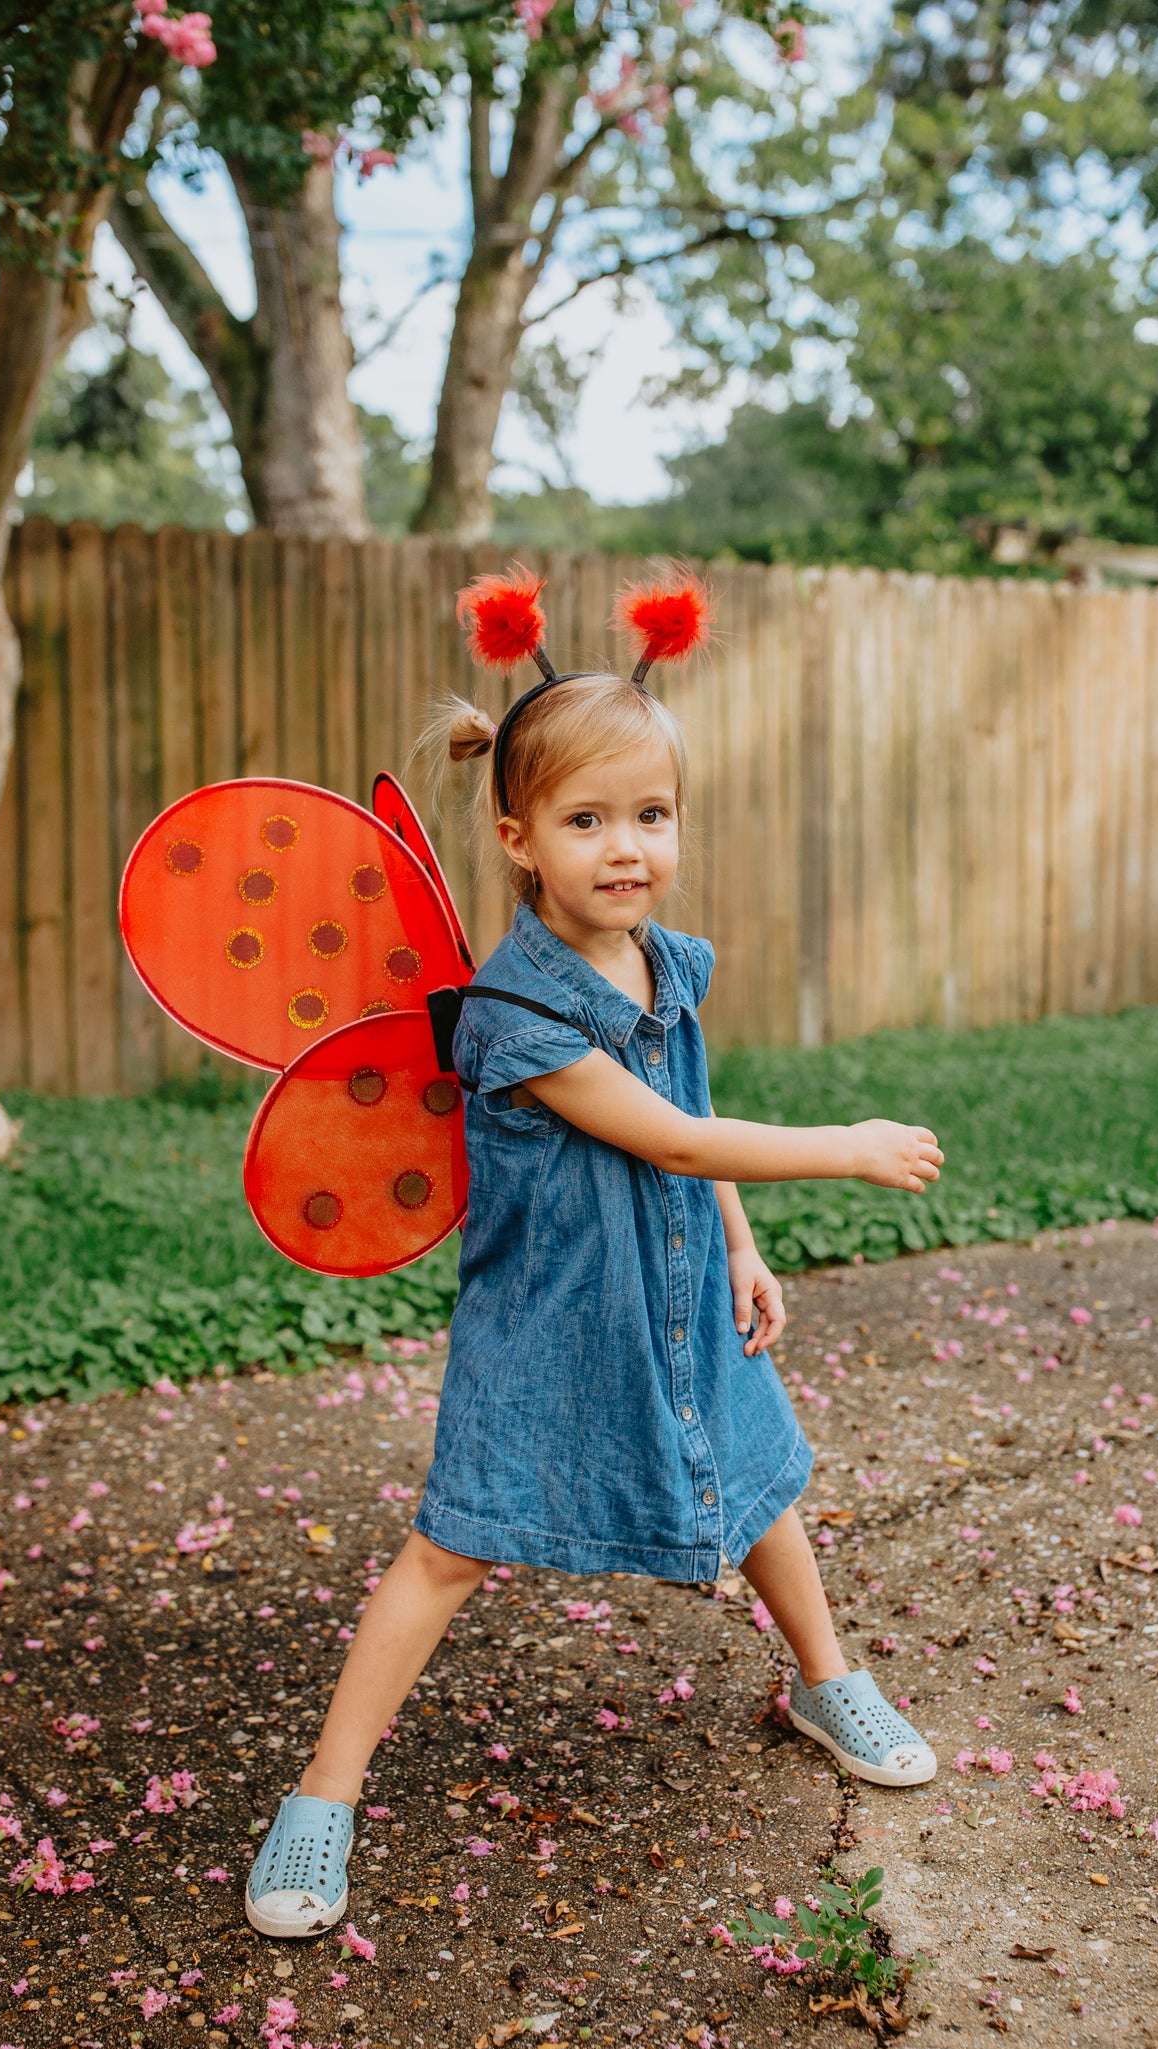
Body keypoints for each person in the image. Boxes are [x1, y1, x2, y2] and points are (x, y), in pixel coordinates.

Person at [246, 569, 944, 1937]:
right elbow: (672, 1141)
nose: (623, 847)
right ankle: (321, 1798)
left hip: (676, 1290)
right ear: (516, 838)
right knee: (452, 1544)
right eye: (585, 821)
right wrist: (846, 1145)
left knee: (753, 1483)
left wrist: (739, 1249)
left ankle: (823, 1678)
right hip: (553, 1313)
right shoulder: (514, 1013)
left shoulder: (661, 962)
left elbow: (684, 1119)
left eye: (650, 816)